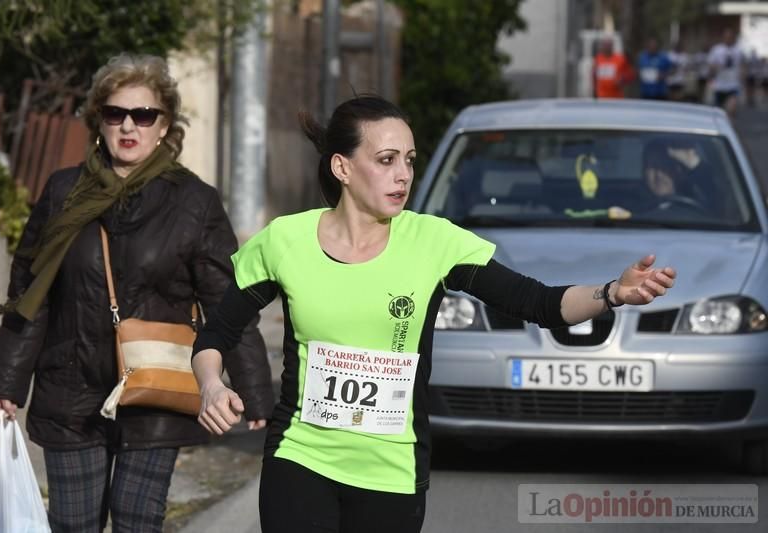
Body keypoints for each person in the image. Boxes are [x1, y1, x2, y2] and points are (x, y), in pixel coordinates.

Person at [190, 95, 677, 533]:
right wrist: (212, 384)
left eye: (409, 161)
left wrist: (612, 292)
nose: (403, 174)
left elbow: (539, 304)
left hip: (392, 468)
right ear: (341, 167)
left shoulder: (435, 242)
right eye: (386, 161)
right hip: (300, 456)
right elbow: (215, 334)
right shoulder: (284, 241)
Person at [0, 53, 274, 532]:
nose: (128, 126)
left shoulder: (194, 202)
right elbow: (30, 294)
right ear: (99, 121)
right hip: (69, 388)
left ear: (164, 126)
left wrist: (255, 390)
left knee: (138, 519)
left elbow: (227, 303)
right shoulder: (62, 193)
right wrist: (7, 382)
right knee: (73, 523)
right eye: (115, 113)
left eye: (144, 115)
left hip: (155, 386)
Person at [707, 28, 745, 115]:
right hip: (719, 85)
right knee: (718, 112)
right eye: (726, 37)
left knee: (731, 110)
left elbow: (743, 65)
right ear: (723, 37)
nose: (728, 39)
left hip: (733, 84)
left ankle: (730, 126)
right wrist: (711, 77)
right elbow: (711, 65)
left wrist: (743, 79)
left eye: (731, 37)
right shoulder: (716, 49)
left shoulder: (738, 50)